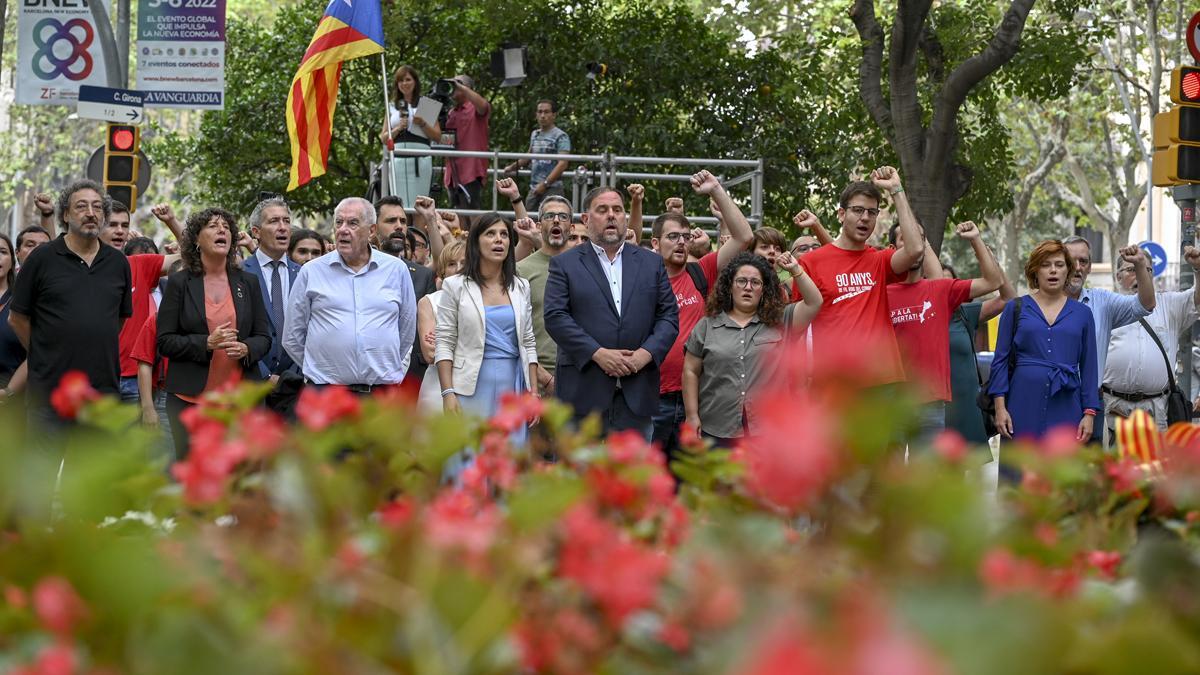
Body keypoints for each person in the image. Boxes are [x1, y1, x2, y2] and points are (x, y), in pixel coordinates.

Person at [543, 186, 679, 438]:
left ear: (625, 218)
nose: (611, 216)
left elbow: (669, 317)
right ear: (585, 219)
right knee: (577, 476)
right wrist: (597, 353)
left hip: (637, 393)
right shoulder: (565, 264)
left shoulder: (651, 262)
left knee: (633, 476)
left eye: (617, 210)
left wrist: (645, 354)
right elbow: (555, 317)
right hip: (583, 394)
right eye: (602, 210)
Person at [8, 179, 133, 430]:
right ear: (65, 214)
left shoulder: (118, 263)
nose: (90, 213)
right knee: (43, 469)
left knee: (95, 469)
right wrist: (43, 351)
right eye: (81, 206)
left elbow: (117, 320)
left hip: (101, 394)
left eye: (97, 207)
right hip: (49, 392)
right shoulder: (42, 258)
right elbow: (17, 318)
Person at [650, 170, 754, 467]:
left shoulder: (701, 271)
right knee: (651, 482)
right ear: (655, 243)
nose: (681, 242)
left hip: (698, 400)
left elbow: (744, 236)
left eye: (685, 237)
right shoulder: (640, 278)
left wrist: (716, 190)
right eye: (673, 237)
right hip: (652, 398)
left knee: (692, 483)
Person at [156, 208, 270, 458]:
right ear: (196, 239)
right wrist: (205, 343)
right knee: (193, 480)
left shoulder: (247, 282)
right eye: (212, 226)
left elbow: (264, 336)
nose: (222, 230)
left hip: (239, 403)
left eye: (226, 227)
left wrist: (247, 348)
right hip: (190, 401)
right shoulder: (179, 283)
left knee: (237, 480)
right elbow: (164, 342)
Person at [799, 168, 924, 389]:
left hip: (882, 381)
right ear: (841, 214)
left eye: (872, 212)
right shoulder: (811, 262)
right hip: (834, 383)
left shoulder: (879, 260)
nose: (865, 218)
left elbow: (914, 249)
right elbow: (798, 326)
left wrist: (896, 190)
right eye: (857, 210)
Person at [683, 253, 822, 446]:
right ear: (729, 287)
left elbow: (814, 302)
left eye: (755, 283)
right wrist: (692, 415)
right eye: (741, 281)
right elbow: (690, 370)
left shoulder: (780, 321)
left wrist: (795, 269)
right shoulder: (706, 326)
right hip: (717, 427)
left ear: (764, 290)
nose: (748, 287)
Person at [282, 198, 417, 392]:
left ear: (371, 231)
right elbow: (292, 335)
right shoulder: (311, 271)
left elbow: (406, 330)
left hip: (380, 393)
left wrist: (382, 360)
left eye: (353, 223)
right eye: (339, 222)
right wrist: (320, 367)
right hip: (326, 393)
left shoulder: (396, 270)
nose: (343, 229)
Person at [886, 221, 1004, 443]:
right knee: (888, 478)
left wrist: (975, 239)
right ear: (892, 249)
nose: (914, 242)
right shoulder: (881, 293)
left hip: (930, 406)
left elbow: (993, 281)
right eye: (905, 238)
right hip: (892, 406)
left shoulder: (940, 289)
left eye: (919, 238)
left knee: (927, 477)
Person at [435, 214, 538, 464]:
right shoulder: (454, 285)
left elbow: (528, 341)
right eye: (490, 234)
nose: (498, 240)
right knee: (468, 458)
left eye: (503, 234)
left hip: (512, 384)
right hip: (469, 385)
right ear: (476, 242)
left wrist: (533, 392)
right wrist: (448, 392)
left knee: (508, 459)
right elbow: (445, 342)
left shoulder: (521, 286)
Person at [988, 240, 1099, 442]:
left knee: (1060, 468)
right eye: (1045, 265)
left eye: (1059, 264)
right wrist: (1000, 407)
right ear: (1035, 271)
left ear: (1068, 270)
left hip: (1067, 403)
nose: (1053, 271)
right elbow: (1000, 361)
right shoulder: (1015, 308)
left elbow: (1089, 366)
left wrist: (1089, 413)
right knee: (1019, 467)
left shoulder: (1084, 314)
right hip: (1021, 402)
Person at [1101, 246, 1200, 445]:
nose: (1139, 273)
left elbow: (1197, 300)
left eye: (1145, 269)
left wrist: (1198, 269)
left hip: (1157, 409)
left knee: (1156, 471)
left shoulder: (1169, 304)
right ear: (1118, 276)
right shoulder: (1105, 306)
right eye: (1131, 269)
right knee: (1113, 471)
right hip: (1113, 409)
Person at [1063, 235, 1155, 442]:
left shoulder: (1103, 302)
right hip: (1051, 399)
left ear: (1089, 267)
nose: (1077, 267)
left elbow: (1146, 305)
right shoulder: (1040, 304)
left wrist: (1140, 265)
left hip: (1090, 401)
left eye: (1083, 262)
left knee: (1091, 471)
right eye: (1070, 260)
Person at [516, 196, 574, 396]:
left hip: (581, 378)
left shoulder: (588, 268)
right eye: (550, 216)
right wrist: (543, 377)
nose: (556, 220)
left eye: (563, 216)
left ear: (572, 228)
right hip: (534, 379)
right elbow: (514, 331)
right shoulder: (521, 270)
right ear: (539, 226)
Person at [241, 197, 301, 384]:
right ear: (256, 232)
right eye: (274, 221)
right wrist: (264, 375)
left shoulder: (303, 274)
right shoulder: (239, 274)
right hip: (251, 382)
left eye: (286, 221)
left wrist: (294, 374)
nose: (282, 227)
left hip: (295, 383)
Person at [416, 242, 467, 412]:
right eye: (452, 264)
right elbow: (430, 354)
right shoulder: (429, 302)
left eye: (464, 263)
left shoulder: (485, 300)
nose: (459, 268)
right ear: (442, 271)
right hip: (436, 390)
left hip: (475, 387)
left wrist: (444, 340)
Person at [382, 65, 441, 207]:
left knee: (420, 204)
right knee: (399, 203)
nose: (404, 84)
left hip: (420, 160)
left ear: (415, 81)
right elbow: (384, 138)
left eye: (408, 79)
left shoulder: (425, 104)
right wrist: (397, 129)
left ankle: (418, 230)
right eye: (400, 81)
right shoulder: (391, 106)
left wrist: (422, 123)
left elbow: (437, 136)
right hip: (397, 161)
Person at [503, 99, 572, 211]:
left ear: (554, 115)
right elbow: (529, 156)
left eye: (546, 112)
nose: (542, 115)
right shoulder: (535, 134)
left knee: (550, 219)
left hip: (552, 188)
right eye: (540, 112)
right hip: (534, 187)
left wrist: (545, 184)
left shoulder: (561, 136)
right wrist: (511, 167)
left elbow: (563, 164)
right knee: (528, 220)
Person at [443, 74, 492, 211]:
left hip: (471, 170)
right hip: (452, 172)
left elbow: (484, 106)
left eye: (458, 83)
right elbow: (423, 123)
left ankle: (475, 234)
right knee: (458, 215)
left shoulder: (475, 108)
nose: (454, 86)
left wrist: (460, 87)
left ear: (468, 88)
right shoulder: (450, 112)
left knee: (472, 214)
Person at [0, 234, 26, 404]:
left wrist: (8, 391)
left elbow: (36, 352)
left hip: (12, 396)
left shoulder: (22, 301)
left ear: (12, 259)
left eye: (2, 252)